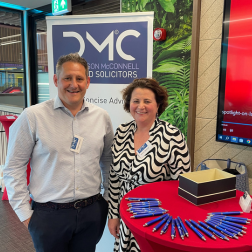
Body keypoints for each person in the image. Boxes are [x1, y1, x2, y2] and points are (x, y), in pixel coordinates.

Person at [3, 53, 114, 252]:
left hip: (92, 212)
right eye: (67, 78)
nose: (74, 84)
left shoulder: (102, 117)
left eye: (79, 79)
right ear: (56, 80)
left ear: (88, 82)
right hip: (48, 216)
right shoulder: (33, 117)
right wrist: (25, 215)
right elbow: (14, 168)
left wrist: (106, 201)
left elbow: (107, 160)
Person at [107, 78, 190, 252]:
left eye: (147, 101)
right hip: (125, 218)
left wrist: (172, 225)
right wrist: (113, 215)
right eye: (135, 101)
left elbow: (182, 187)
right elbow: (114, 179)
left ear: (158, 104)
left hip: (156, 220)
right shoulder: (121, 132)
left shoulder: (172, 136)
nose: (140, 106)